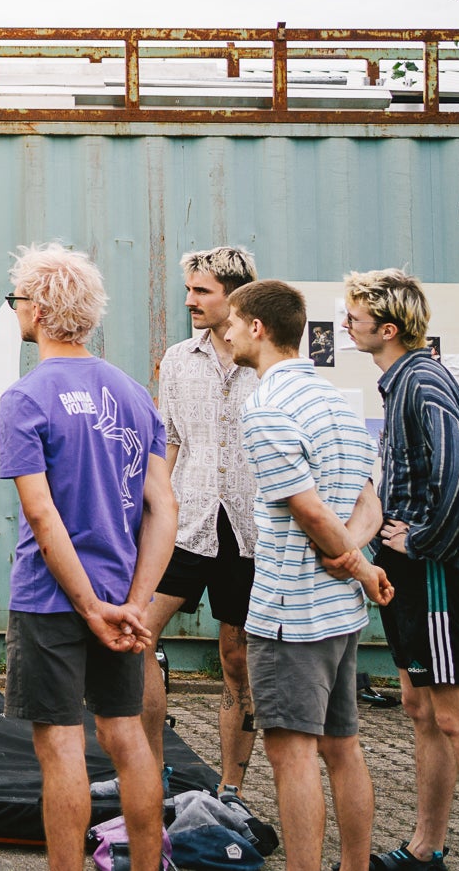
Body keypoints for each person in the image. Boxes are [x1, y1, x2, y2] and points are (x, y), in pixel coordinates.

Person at [0, 243, 175, 871]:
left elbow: (43, 517)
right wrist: (135, 602)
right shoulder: (132, 393)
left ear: (41, 310)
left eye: (18, 299)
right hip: (123, 599)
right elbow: (164, 509)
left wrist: (91, 607)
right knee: (127, 737)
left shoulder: (25, 397)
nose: (16, 309)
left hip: (52, 599)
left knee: (63, 748)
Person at [226, 279, 392, 871]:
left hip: (290, 613)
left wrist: (357, 562)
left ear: (257, 328)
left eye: (233, 320)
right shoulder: (337, 403)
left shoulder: (266, 408)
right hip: (342, 613)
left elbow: (308, 509)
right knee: (344, 750)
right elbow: (369, 502)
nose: (223, 330)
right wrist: (357, 561)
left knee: (292, 757)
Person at [344, 268, 459, 871]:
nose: (346, 324)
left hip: (427, 570)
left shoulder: (422, 380)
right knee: (420, 706)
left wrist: (423, 540)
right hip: (403, 567)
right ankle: (427, 846)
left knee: (457, 715)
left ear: (388, 327)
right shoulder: (398, 383)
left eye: (353, 316)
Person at [142, 246, 260, 797]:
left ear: (233, 297)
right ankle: (151, 773)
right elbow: (168, 440)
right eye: (189, 290)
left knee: (236, 659)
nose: (189, 300)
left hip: (249, 533)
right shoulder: (178, 359)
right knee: (137, 634)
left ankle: (231, 788)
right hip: (185, 524)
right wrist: (151, 508)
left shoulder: (265, 360)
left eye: (202, 291)